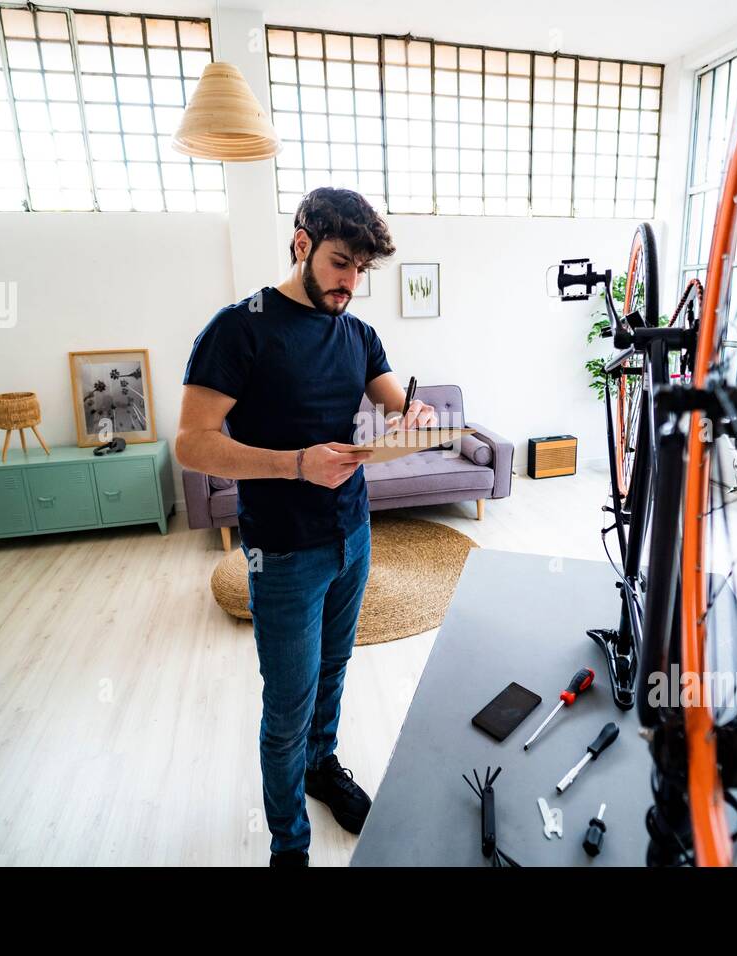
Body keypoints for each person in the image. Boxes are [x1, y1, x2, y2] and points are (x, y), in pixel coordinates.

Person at [176, 187, 437, 867]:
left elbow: (398, 401)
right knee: (286, 708)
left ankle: (325, 770)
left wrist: (417, 417)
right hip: (282, 553)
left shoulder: (357, 333)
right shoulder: (239, 330)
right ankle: (289, 846)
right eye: (341, 264)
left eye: (361, 271)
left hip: (353, 534)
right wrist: (294, 463)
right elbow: (192, 444)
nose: (350, 283)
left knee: (335, 667)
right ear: (302, 244)